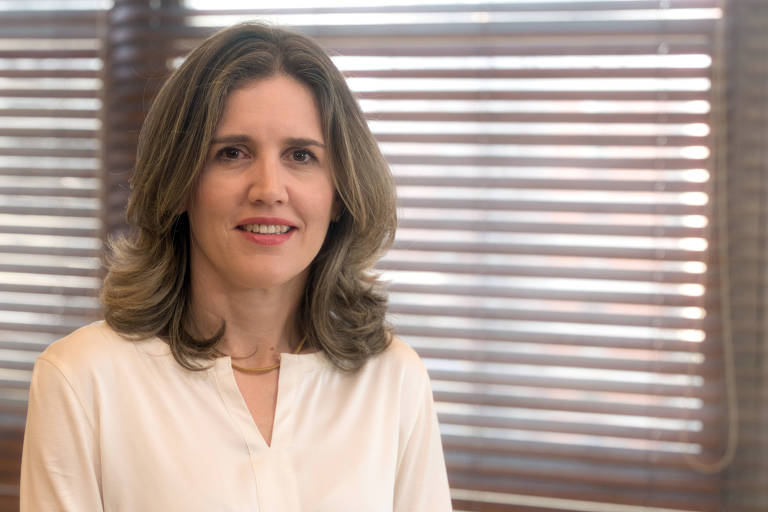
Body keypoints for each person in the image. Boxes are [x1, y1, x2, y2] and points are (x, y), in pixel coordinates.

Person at [20, 22, 451, 511]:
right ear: (181, 182)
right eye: (232, 153)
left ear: (340, 194)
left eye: (301, 155)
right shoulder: (83, 379)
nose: (268, 188)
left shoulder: (393, 380)